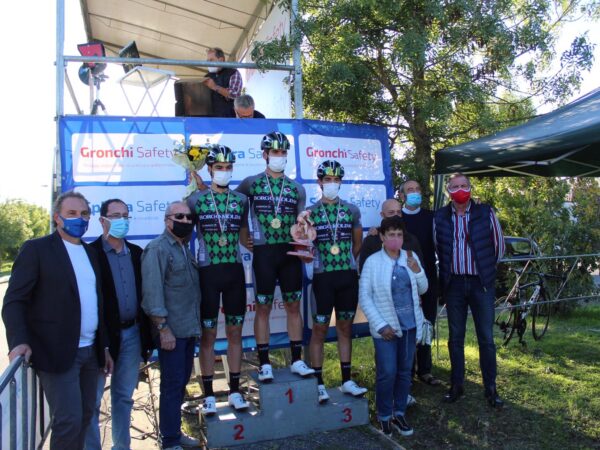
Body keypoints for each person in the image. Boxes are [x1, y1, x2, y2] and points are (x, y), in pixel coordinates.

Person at [2, 191, 113, 450]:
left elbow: (99, 304)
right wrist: (19, 341)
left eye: (84, 214)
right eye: (71, 213)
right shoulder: (37, 250)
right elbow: (14, 301)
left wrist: (105, 347)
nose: (79, 218)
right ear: (57, 218)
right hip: (57, 353)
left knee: (86, 416)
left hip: (91, 353)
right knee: (68, 421)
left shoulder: (91, 253)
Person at [236, 131, 314, 382]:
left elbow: (301, 222)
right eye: (275, 152)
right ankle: (264, 363)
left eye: (283, 152)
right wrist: (243, 235)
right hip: (264, 253)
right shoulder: (251, 183)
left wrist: (305, 238)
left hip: (289, 252)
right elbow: (233, 205)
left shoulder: (296, 188)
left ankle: (297, 359)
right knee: (263, 307)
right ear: (265, 155)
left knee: (293, 305)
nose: (279, 156)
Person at [186, 145, 251, 414]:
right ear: (210, 169)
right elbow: (182, 229)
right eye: (219, 167)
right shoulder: (196, 200)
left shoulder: (241, 200)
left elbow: (246, 236)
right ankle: (209, 395)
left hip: (234, 272)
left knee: (235, 332)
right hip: (207, 273)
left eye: (228, 167)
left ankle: (235, 391)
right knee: (208, 335)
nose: (224, 171)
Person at [85, 199, 153, 450]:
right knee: (92, 402)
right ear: (102, 220)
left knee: (124, 397)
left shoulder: (136, 253)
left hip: (132, 333)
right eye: (115, 216)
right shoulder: (90, 254)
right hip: (101, 338)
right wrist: (102, 342)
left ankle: (121, 446)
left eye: (125, 215)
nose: (121, 220)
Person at [433, 173, 505, 408]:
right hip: (453, 283)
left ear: (470, 188)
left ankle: (490, 388)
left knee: (486, 338)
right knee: (455, 338)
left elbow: (499, 246)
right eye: (455, 186)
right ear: (448, 191)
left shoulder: (486, 212)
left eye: (464, 185)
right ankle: (456, 385)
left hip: (480, 283)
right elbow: (438, 246)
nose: (460, 189)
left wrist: (486, 270)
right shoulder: (440, 216)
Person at [305, 160, 367, 403]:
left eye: (336, 179)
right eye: (327, 179)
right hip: (323, 278)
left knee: (345, 328)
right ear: (320, 182)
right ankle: (318, 383)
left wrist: (346, 261)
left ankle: (346, 381)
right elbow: (305, 245)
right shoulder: (310, 213)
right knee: (319, 329)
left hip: (347, 277)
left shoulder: (351, 210)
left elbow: (357, 244)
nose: (332, 183)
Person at [359, 216, 427, 437]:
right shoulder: (372, 262)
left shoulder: (411, 257)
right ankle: (384, 416)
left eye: (399, 235)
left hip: (410, 326)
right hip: (386, 330)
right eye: (391, 235)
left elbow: (423, 289)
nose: (395, 239)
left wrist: (417, 271)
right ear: (382, 236)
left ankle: (399, 413)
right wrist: (381, 325)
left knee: (405, 372)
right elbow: (365, 297)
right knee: (387, 372)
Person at [141, 202, 202, 450]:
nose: (185, 221)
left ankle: (174, 432)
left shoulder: (183, 248)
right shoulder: (158, 248)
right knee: (171, 386)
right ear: (168, 220)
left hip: (187, 330)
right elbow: (152, 293)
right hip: (171, 332)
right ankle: (170, 441)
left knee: (180, 384)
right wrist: (163, 328)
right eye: (179, 216)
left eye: (189, 217)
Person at [398, 180, 441, 386]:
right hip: (404, 280)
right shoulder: (397, 217)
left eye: (417, 189)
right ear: (402, 195)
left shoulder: (432, 217)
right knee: (407, 323)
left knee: (427, 322)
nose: (414, 192)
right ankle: (407, 370)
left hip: (429, 276)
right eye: (410, 190)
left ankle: (425, 369)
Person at [358, 198, 423, 273]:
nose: (396, 215)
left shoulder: (411, 239)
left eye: (398, 212)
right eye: (391, 212)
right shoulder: (371, 240)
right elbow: (364, 271)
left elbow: (420, 269)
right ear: (382, 215)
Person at [203, 47, 242, 117]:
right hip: (210, 119)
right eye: (207, 61)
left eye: (211, 60)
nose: (208, 63)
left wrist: (215, 87)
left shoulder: (233, 73)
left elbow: (235, 95)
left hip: (228, 118)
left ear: (221, 60)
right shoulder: (207, 77)